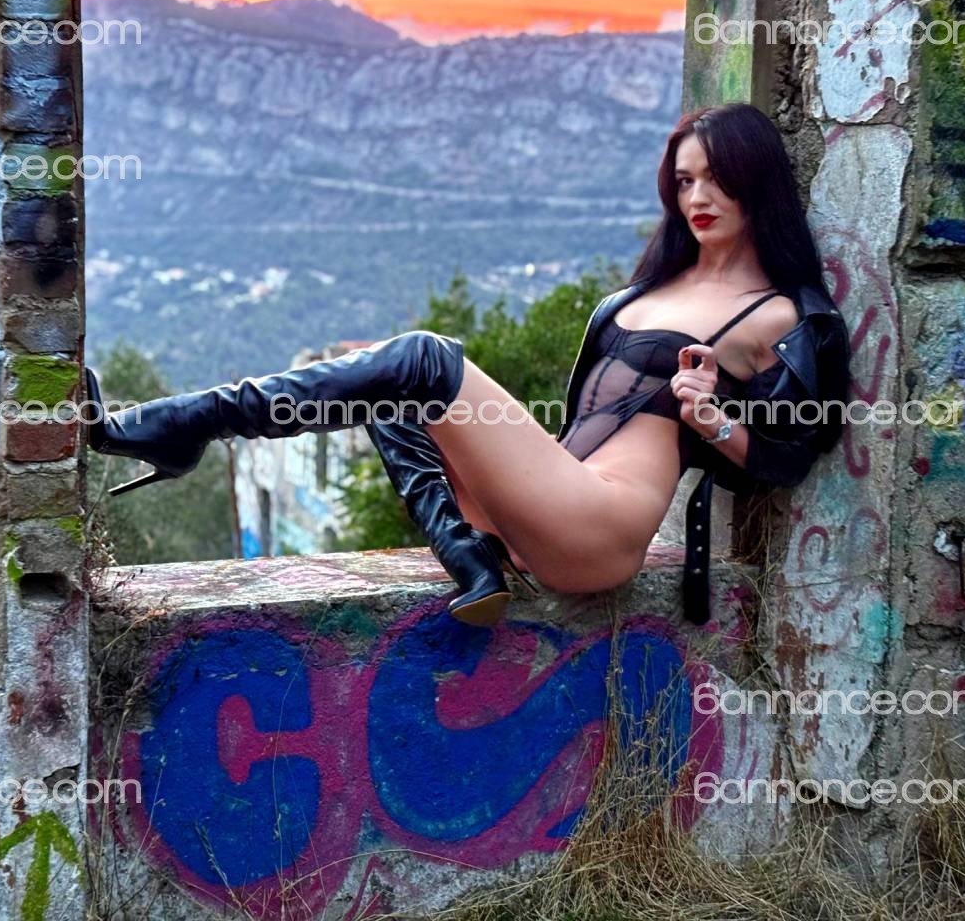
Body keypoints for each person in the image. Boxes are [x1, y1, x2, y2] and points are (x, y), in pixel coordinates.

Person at [83, 102, 851, 628]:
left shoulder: (777, 315)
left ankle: (183, 424)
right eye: (683, 180)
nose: (697, 195)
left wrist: (710, 419)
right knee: (385, 384)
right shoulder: (657, 285)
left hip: (600, 529)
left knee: (420, 358)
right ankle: (469, 558)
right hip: (549, 496)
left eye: (715, 177)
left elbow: (788, 460)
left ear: (756, 181)